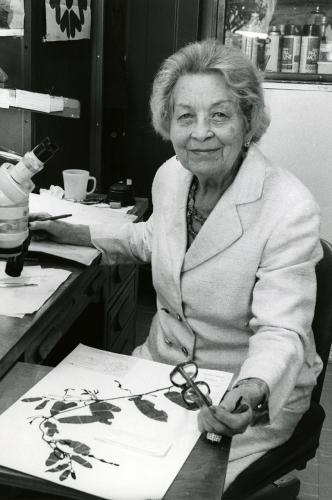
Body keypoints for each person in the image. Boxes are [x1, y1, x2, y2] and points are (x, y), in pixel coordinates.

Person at [30, 39, 323, 491]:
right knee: (87, 464)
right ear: (168, 123)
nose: (200, 132)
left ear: (248, 122)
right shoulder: (171, 176)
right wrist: (72, 231)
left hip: (234, 391)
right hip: (163, 370)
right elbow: (152, 239)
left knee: (165, 488)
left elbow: (282, 330)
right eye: (185, 116)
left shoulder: (289, 207)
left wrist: (251, 390)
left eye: (220, 115)